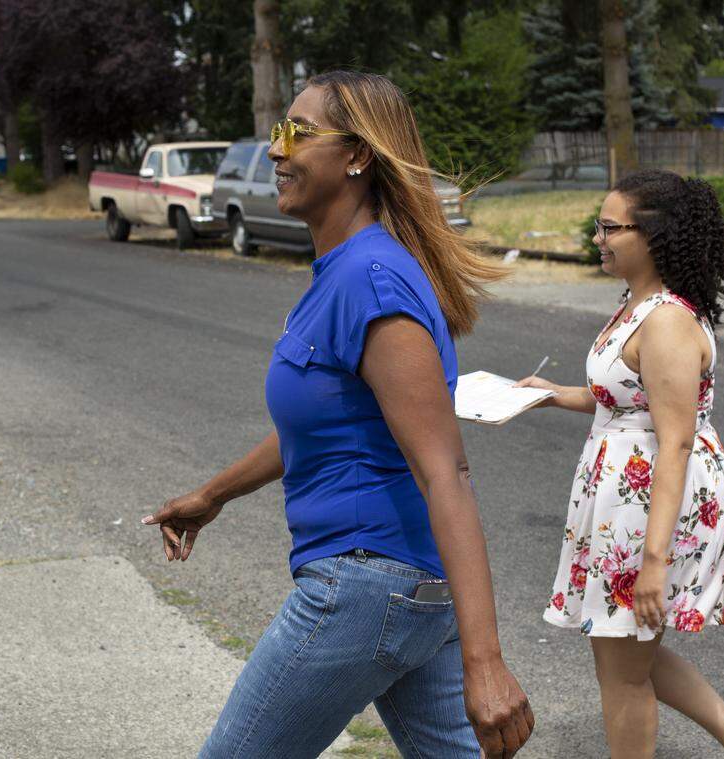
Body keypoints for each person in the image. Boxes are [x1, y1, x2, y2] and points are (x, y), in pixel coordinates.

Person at [141, 70, 534, 758]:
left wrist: (486, 661)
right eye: (276, 132)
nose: (276, 151)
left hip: (364, 585)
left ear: (357, 155)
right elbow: (319, 427)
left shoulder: (371, 279)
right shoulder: (345, 272)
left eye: (297, 132)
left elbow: (448, 472)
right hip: (406, 589)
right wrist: (213, 495)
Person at [516, 170, 724, 759]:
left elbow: (676, 442)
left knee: (622, 669)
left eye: (611, 227)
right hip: (626, 505)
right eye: (599, 225)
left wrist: (653, 563)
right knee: (624, 650)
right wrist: (547, 393)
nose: (598, 238)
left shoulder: (666, 321)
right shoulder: (637, 305)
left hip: (654, 507)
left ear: (655, 235)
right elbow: (618, 395)